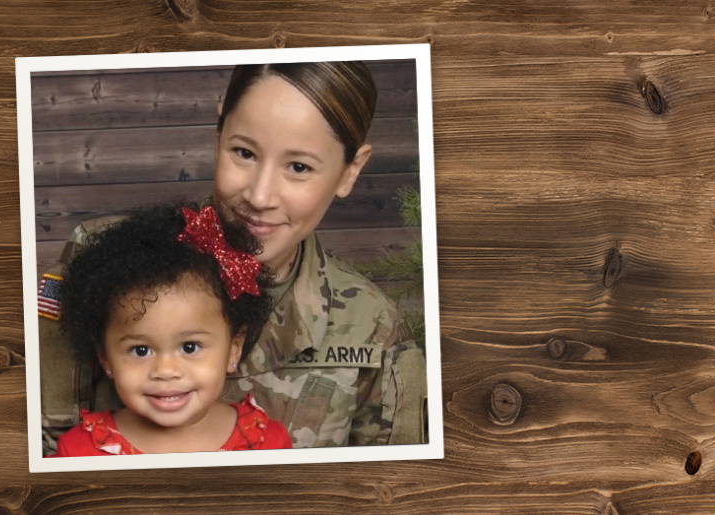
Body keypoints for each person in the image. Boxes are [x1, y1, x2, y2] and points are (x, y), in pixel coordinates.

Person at [39, 61, 427, 453]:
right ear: (218, 131)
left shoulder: (373, 327)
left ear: (349, 172)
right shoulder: (102, 262)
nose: (259, 197)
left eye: (298, 167)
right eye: (244, 152)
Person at [49, 202, 291, 456]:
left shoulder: (268, 444)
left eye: (190, 347)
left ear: (234, 348)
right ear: (105, 356)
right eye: (140, 350)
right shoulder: (77, 451)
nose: (166, 371)